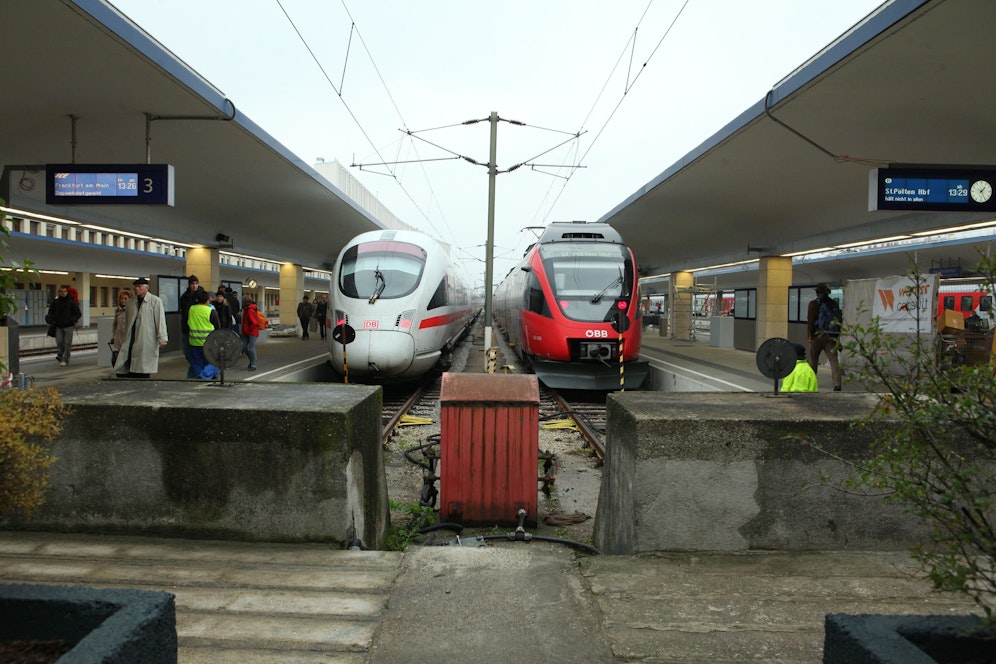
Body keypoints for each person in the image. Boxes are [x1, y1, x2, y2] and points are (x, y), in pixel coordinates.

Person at [114, 277, 168, 378]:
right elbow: (127, 320)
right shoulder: (131, 302)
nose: (136, 289)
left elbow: (160, 320)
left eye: (139, 287)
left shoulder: (155, 301)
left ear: (146, 288)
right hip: (132, 336)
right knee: (130, 360)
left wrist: (162, 337)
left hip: (146, 336)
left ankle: (142, 378)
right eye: (135, 287)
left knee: (143, 363)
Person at [807, 283, 843, 392]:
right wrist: (836, 337)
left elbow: (811, 321)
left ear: (817, 292)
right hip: (830, 336)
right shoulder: (834, 303)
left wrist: (810, 335)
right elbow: (838, 321)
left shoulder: (813, 304)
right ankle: (837, 384)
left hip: (817, 336)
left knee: (813, 360)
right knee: (834, 361)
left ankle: (812, 383)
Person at [186, 289, 221, 380]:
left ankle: (198, 376)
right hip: (208, 342)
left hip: (194, 341)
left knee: (197, 362)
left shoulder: (192, 309)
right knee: (214, 361)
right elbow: (217, 326)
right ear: (207, 300)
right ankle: (204, 376)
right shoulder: (211, 311)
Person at [46, 284, 82, 366]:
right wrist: (51, 319)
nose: (63, 293)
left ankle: (65, 359)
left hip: (68, 325)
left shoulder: (71, 302)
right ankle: (60, 354)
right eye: (61, 291)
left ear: (67, 292)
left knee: (67, 343)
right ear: (59, 292)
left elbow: (78, 313)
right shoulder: (55, 302)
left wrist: (71, 320)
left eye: (65, 291)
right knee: (59, 342)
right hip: (58, 325)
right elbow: (51, 312)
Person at [179, 275, 206, 378]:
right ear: (189, 285)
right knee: (188, 353)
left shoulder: (202, 296)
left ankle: (197, 374)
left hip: (199, 330)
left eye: (196, 283)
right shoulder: (184, 296)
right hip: (187, 328)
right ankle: (198, 372)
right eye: (192, 284)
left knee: (198, 354)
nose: (194, 286)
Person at [109, 289, 133, 366]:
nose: (123, 300)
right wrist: (113, 336)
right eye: (121, 298)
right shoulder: (118, 310)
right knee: (120, 356)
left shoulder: (132, 310)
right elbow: (115, 324)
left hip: (128, 337)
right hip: (119, 337)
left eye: (125, 298)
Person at [241, 294, 261, 371]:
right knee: (244, 347)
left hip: (251, 332)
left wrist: (248, 329)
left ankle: (253, 363)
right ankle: (252, 360)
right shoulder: (248, 309)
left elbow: (254, 322)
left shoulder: (250, 310)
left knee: (250, 348)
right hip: (247, 331)